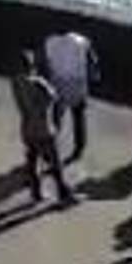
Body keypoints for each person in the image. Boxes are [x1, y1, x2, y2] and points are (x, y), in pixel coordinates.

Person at [11, 50, 75, 206]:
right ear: (31, 65)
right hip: (44, 128)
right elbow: (53, 98)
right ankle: (63, 194)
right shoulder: (38, 82)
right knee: (55, 162)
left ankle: (36, 193)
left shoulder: (16, 82)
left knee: (32, 161)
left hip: (27, 127)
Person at [42, 30, 99, 164]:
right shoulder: (82, 40)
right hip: (78, 84)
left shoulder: (49, 41)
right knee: (78, 118)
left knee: (56, 119)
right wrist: (94, 75)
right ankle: (79, 148)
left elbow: (44, 64)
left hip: (58, 83)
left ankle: (50, 150)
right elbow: (92, 61)